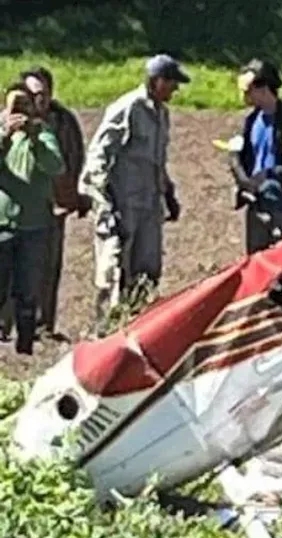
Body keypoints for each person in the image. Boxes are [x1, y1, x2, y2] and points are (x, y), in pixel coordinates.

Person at [79, 53, 185, 332]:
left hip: (149, 205)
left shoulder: (162, 114)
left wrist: (169, 192)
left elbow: (156, 160)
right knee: (115, 271)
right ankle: (105, 332)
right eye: (172, 82)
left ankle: (137, 329)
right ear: (156, 80)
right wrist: (104, 201)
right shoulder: (128, 108)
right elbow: (98, 156)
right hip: (122, 204)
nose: (175, 89)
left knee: (147, 272)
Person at [2, 67, 87, 341]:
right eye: (29, 97)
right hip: (6, 217)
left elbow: (67, 160)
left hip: (47, 211)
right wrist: (6, 133)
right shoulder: (4, 126)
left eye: (42, 95)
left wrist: (73, 196)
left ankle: (40, 327)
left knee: (44, 271)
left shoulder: (58, 124)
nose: (37, 102)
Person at [0, 81, 64, 354]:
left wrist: (34, 137)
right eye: (15, 106)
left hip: (35, 224)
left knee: (28, 289)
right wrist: (4, 135)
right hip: (3, 223)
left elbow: (56, 165)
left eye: (25, 105)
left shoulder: (44, 134)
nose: (21, 112)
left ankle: (25, 344)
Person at [228, 58, 282, 253]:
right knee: (256, 260)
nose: (244, 95)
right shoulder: (249, 121)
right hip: (256, 201)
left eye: (248, 90)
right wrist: (244, 181)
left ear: (264, 88)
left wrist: (270, 173)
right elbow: (235, 156)